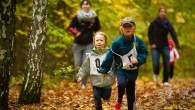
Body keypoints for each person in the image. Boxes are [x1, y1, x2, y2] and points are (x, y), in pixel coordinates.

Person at [99, 17, 148, 110]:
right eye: (125, 26)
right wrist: (104, 69)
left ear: (134, 28)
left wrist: (139, 60)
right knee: (121, 84)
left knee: (130, 90)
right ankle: (119, 99)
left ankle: (131, 106)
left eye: (130, 26)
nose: (127, 28)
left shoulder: (138, 41)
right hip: (120, 68)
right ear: (121, 29)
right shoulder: (117, 42)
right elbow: (110, 55)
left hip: (133, 70)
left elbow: (144, 53)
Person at [76, 32, 115, 110]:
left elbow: (115, 65)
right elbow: (84, 67)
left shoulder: (109, 54)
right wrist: (80, 75)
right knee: (96, 96)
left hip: (107, 81)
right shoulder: (91, 55)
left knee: (106, 96)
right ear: (94, 42)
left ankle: (106, 97)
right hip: (95, 81)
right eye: (97, 40)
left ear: (105, 42)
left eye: (101, 40)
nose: (99, 42)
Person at [68, 0, 101, 89]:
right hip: (77, 44)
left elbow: (98, 29)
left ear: (90, 6)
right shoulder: (77, 16)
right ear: (81, 6)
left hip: (89, 44)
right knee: (77, 64)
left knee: (85, 63)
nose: (86, 6)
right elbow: (70, 27)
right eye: (84, 4)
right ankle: (77, 79)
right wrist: (76, 33)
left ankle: (83, 84)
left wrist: (99, 38)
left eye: (87, 4)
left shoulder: (94, 17)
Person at [148, 6, 180, 86]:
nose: (163, 13)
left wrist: (177, 43)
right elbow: (149, 33)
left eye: (164, 12)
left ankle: (165, 81)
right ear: (159, 13)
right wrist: (152, 43)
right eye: (161, 12)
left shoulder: (167, 23)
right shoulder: (154, 22)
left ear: (166, 13)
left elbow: (173, 33)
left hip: (165, 45)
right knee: (155, 64)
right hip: (155, 46)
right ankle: (156, 73)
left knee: (167, 63)